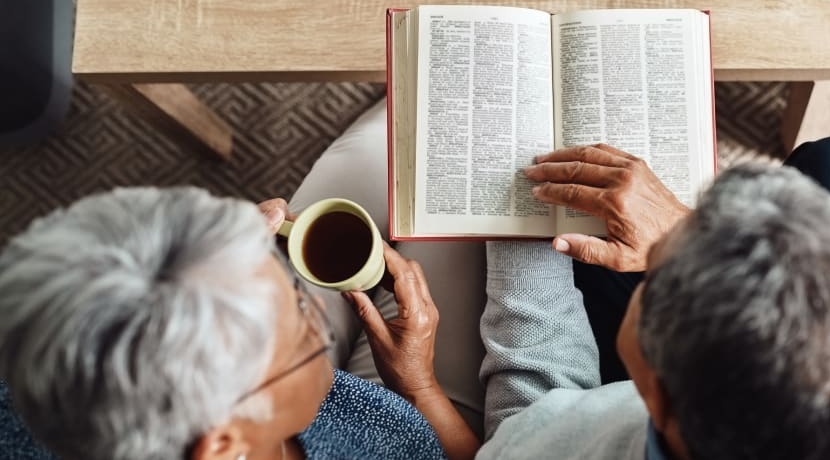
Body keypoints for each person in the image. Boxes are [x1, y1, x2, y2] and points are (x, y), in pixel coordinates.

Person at [0, 100, 483, 460]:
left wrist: (219, 256)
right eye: (301, 328)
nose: (317, 310)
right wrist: (420, 387)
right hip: (413, 412)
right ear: (223, 444)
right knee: (437, 138)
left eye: (293, 289)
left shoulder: (32, 365)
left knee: (410, 124)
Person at [478, 138, 830, 459]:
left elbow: (529, 415)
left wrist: (516, 224)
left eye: (658, 276)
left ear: (652, 395)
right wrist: (684, 229)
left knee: (584, 251)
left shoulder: (564, 444)